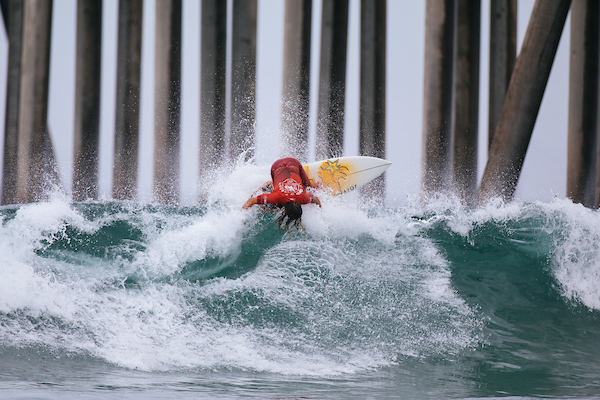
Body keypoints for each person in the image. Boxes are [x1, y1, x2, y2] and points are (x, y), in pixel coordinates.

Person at [242, 157, 321, 231]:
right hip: (280, 166)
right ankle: (271, 184)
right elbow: (251, 201)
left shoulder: (303, 198)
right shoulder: (277, 197)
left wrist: (241, 215)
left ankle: (319, 184)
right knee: (309, 190)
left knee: (310, 190)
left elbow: (316, 199)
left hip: (285, 164)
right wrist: (320, 212)